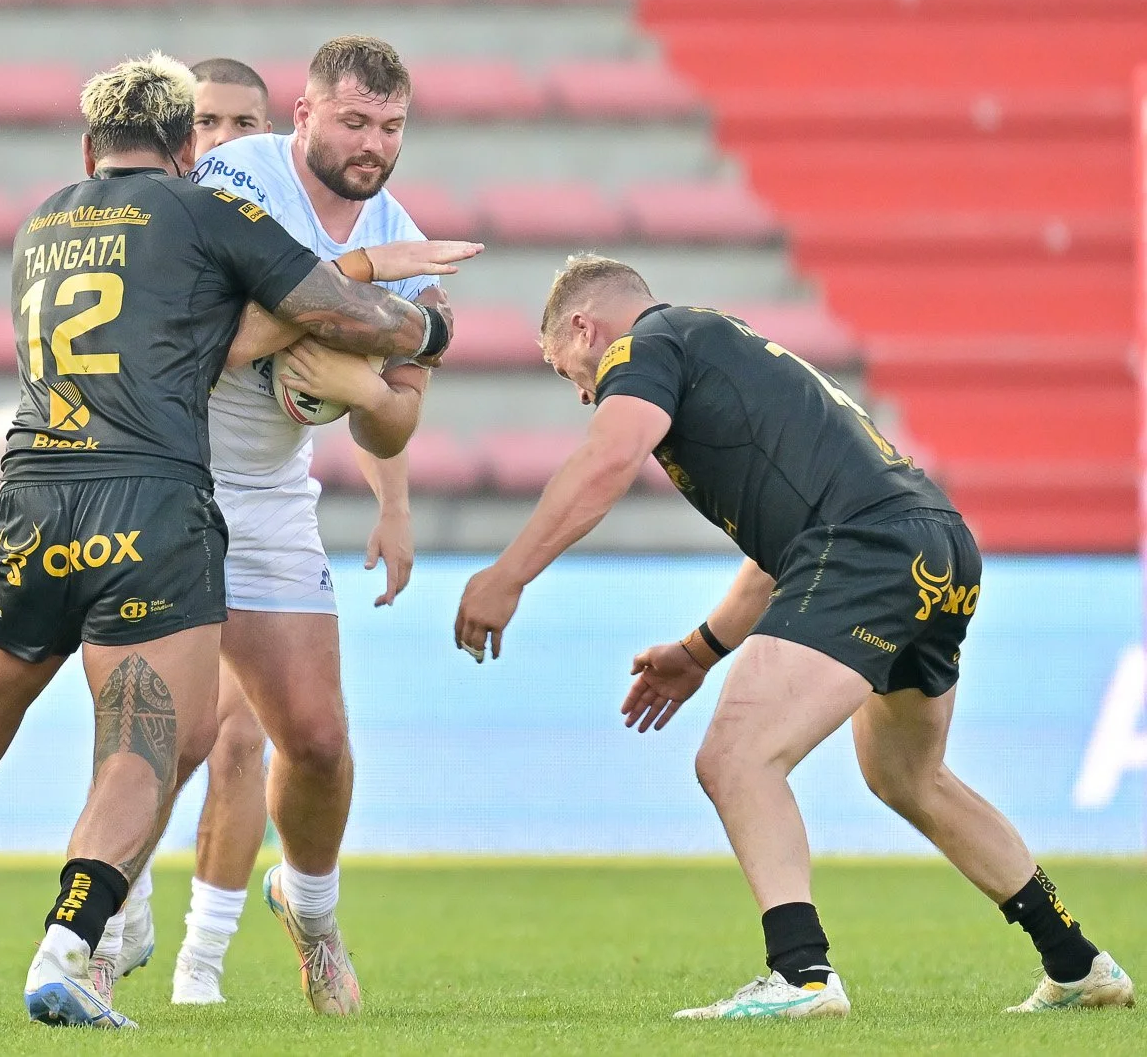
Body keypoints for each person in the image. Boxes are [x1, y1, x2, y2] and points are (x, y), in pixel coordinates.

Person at [0, 54, 473, 1031]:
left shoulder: (41, 224)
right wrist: (426, 332)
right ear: (187, 147)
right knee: (146, 749)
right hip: (151, 501)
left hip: (34, 497)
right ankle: (74, 951)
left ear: (87, 148)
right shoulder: (211, 207)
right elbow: (322, 314)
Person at [452, 254, 1134, 1020]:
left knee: (737, 757)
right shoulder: (725, 352)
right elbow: (779, 560)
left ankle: (801, 975)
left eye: (566, 371)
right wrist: (698, 652)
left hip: (865, 550)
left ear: (585, 328)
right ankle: (1076, 962)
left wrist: (510, 573)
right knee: (907, 776)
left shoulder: (644, 346)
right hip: (934, 544)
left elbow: (610, 457)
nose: (584, 393)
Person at [108, 38, 443, 1014]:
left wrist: (365, 395)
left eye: (390, 127)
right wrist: (348, 293)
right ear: (304, 115)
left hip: (268, 498)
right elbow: (207, 339)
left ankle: (311, 913)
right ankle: (103, 929)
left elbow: (395, 418)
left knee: (319, 741)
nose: (373, 144)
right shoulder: (235, 177)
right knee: (172, 733)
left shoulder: (408, 241)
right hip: (166, 478)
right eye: (354, 121)